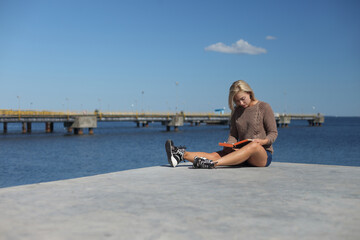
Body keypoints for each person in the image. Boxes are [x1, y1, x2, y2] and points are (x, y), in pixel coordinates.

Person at [165, 80, 278, 169]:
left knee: (253, 146)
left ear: (249, 93)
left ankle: (213, 164)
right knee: (215, 154)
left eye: (243, 99)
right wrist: (230, 145)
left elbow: (273, 133)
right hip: (241, 153)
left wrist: (261, 141)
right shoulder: (236, 111)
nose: (241, 103)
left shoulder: (264, 107)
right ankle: (180, 154)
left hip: (262, 155)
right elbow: (233, 135)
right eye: (237, 101)